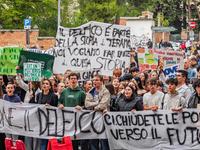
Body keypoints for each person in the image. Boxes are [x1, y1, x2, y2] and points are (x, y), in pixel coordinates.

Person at [58, 72, 86, 150]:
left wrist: (81, 107)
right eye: (71, 78)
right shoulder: (64, 91)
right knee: (66, 140)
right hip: (66, 120)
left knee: (74, 141)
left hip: (76, 121)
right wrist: (59, 105)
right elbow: (59, 102)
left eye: (75, 78)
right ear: (69, 80)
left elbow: (85, 106)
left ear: (77, 80)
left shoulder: (81, 92)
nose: (73, 80)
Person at [85, 74, 110, 150]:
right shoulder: (91, 91)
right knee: (93, 141)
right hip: (93, 120)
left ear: (101, 81)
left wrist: (93, 107)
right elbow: (86, 104)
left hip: (103, 120)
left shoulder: (106, 91)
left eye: (97, 80)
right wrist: (97, 103)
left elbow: (103, 105)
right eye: (94, 80)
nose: (94, 82)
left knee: (103, 141)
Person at [36, 79, 58, 150]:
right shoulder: (38, 95)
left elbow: (56, 109)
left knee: (49, 141)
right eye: (43, 83)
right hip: (41, 120)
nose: (45, 85)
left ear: (50, 86)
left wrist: (50, 107)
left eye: (47, 84)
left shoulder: (54, 96)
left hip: (50, 121)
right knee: (42, 140)